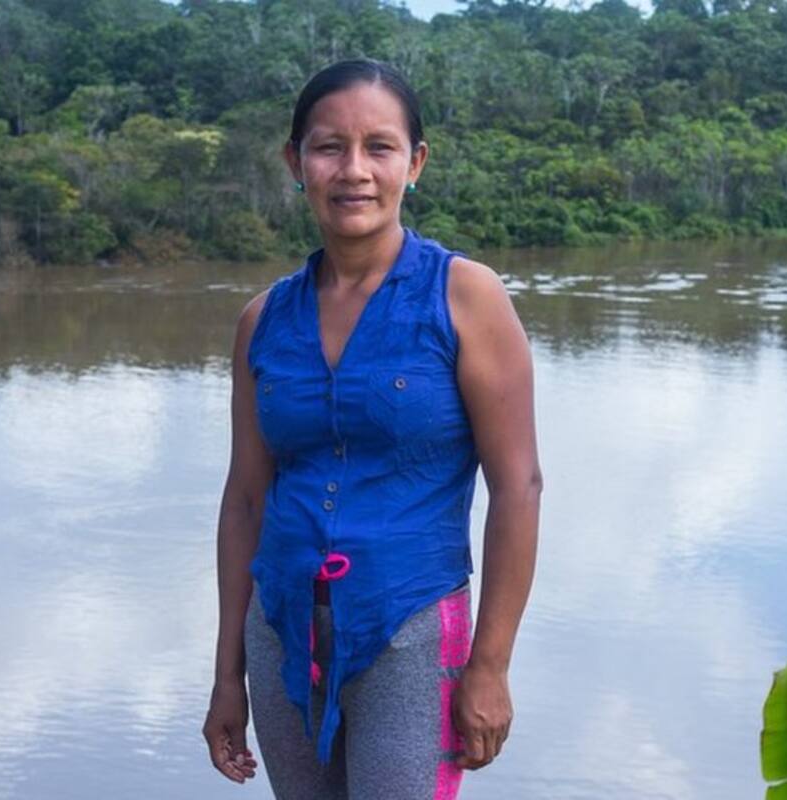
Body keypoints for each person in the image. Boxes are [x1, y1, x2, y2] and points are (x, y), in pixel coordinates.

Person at [202, 58, 541, 799]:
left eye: (379, 147)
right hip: (280, 630)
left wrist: (491, 664)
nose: (353, 170)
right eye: (329, 147)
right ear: (296, 163)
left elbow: (517, 486)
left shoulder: (465, 297)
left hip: (411, 632)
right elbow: (245, 503)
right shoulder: (262, 320)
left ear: (414, 163)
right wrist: (227, 674)